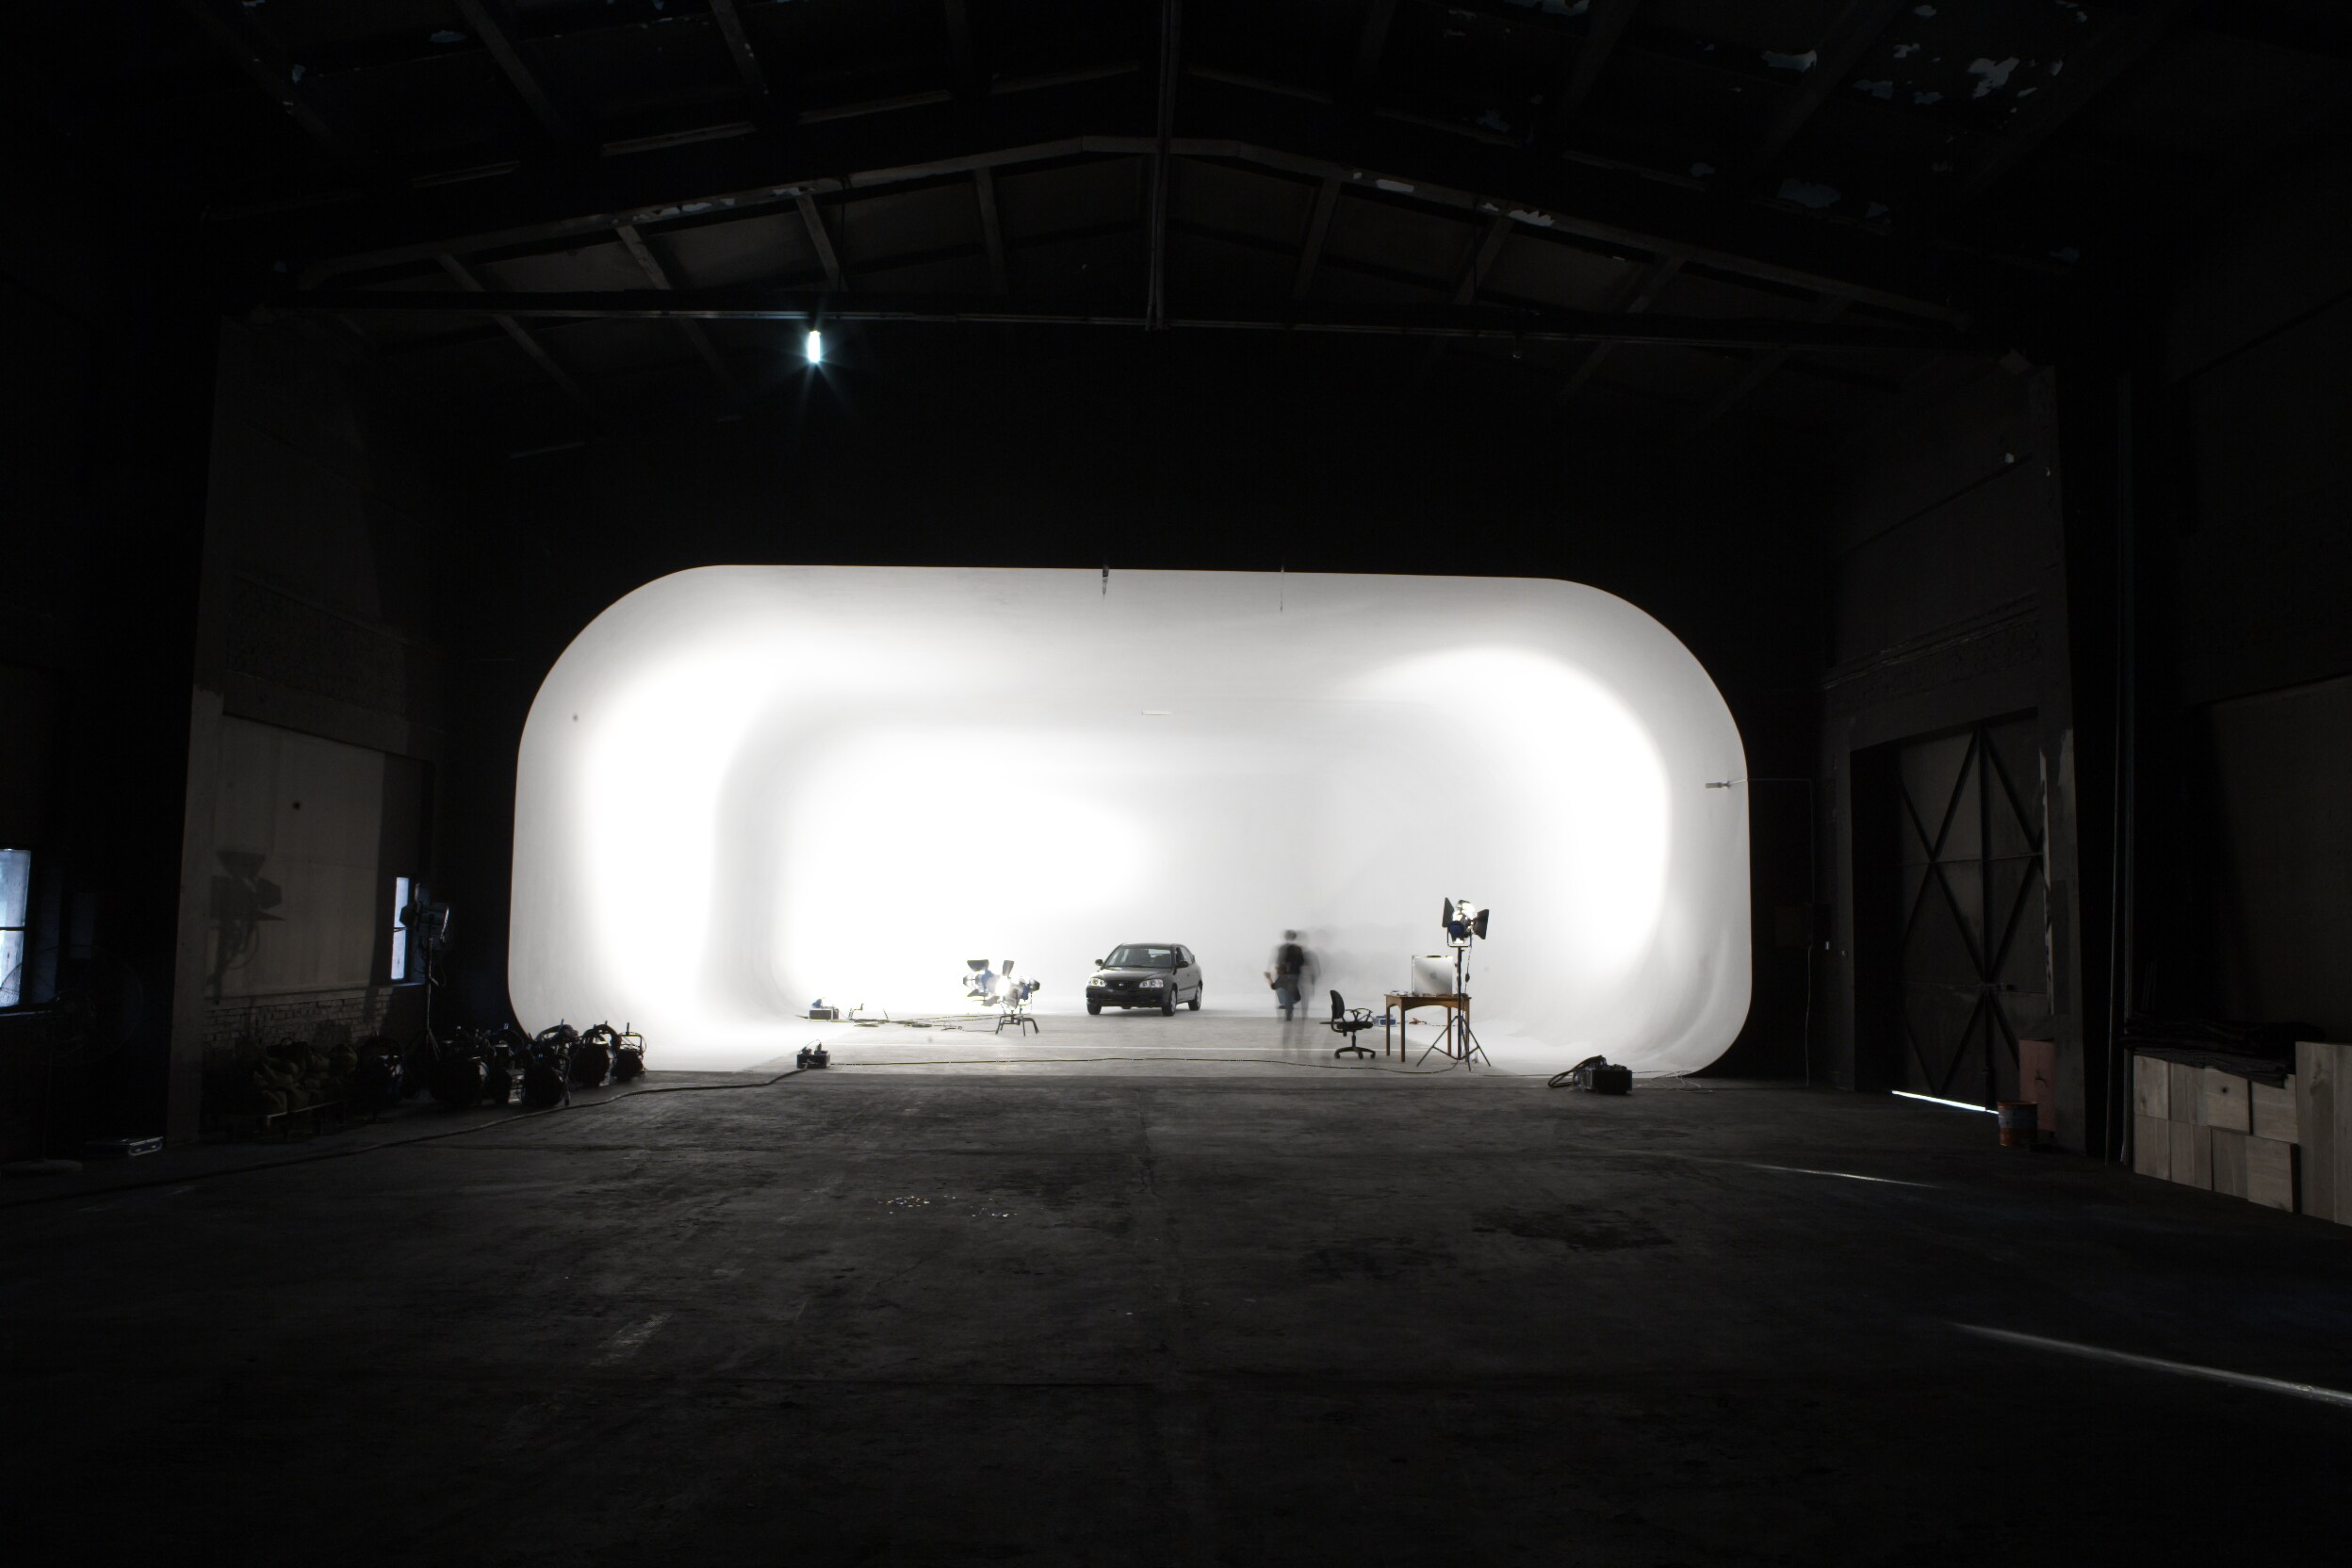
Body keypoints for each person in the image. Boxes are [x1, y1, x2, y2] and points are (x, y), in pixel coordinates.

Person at [1265, 930, 1315, 1022]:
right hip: (1294, 974)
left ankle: (1288, 1014)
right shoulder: (1298, 949)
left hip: (1285, 975)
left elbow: (1279, 961)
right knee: (1291, 993)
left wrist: (1270, 976)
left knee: (1287, 993)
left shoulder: (1281, 948)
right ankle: (1294, 1013)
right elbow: (1302, 962)